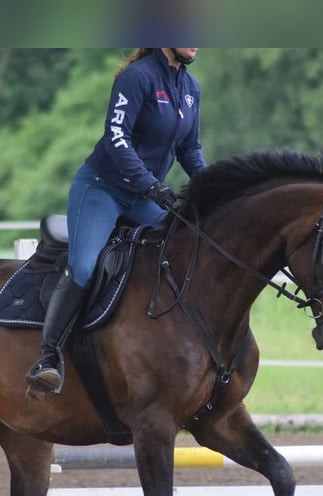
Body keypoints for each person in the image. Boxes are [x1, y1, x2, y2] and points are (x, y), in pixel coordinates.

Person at [26, 48, 207, 395]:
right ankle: (47, 359)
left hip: (144, 198)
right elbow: (117, 138)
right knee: (83, 266)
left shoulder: (190, 87)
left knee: (184, 247)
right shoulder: (136, 78)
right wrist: (151, 184)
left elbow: (190, 149)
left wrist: (215, 188)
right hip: (101, 190)